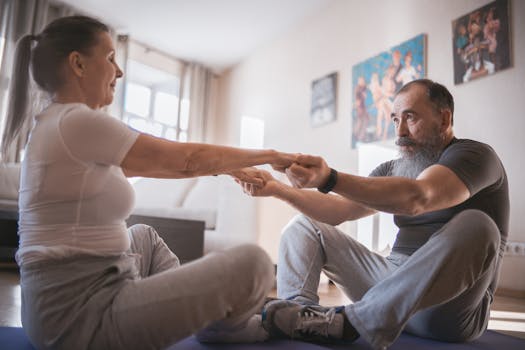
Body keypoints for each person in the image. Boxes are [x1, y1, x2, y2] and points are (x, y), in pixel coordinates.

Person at [0, 16, 299, 350]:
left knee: (143, 236)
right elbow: (185, 160)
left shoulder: (60, 124)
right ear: (78, 64)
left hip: (66, 302)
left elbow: (169, 167)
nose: (119, 71)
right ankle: (220, 326)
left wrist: (230, 170)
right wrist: (269, 155)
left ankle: (206, 311)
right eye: (111, 58)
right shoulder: (76, 121)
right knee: (254, 265)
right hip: (80, 318)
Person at [236, 79, 508, 350]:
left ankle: (355, 321)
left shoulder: (475, 156)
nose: (400, 130)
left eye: (410, 117)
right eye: (395, 119)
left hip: (448, 311)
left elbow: (419, 196)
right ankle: (302, 318)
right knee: (304, 227)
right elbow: (339, 209)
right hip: (388, 285)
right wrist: (278, 189)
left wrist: (329, 177)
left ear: (444, 119)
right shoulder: (392, 168)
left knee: (480, 226)